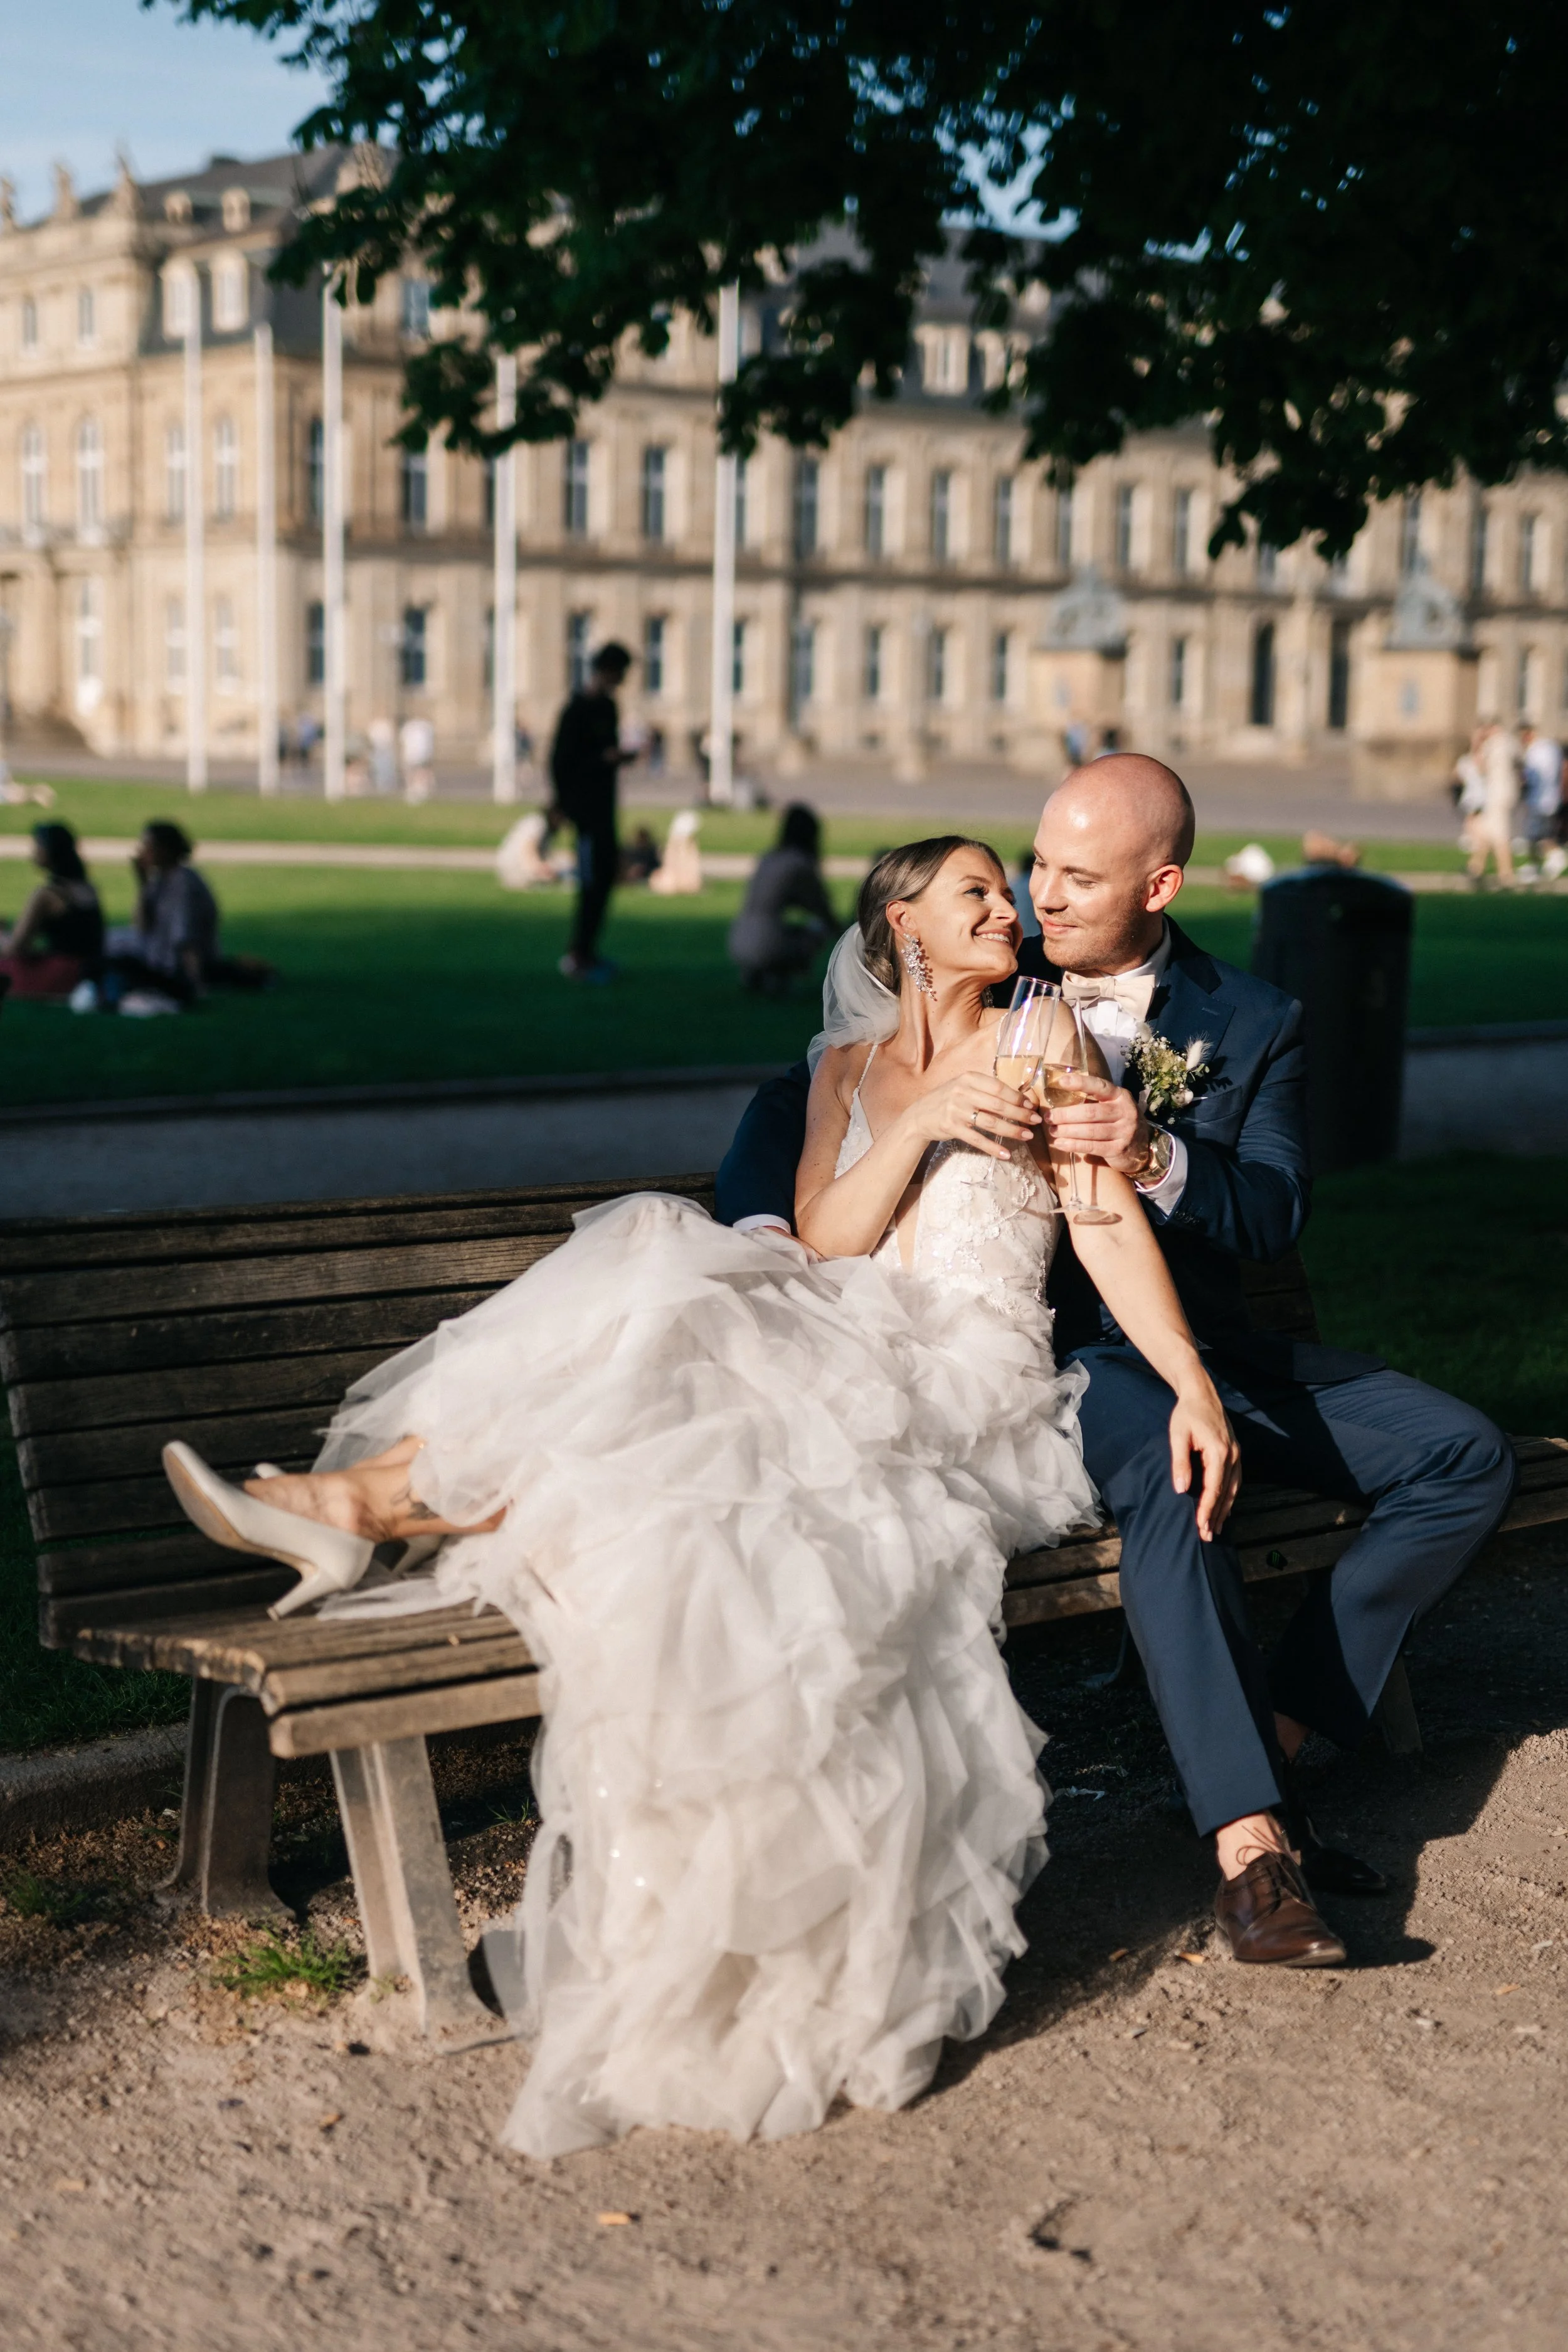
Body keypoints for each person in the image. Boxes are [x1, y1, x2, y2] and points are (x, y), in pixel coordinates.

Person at [159, 834, 1240, 2158]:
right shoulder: (843, 1071)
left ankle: (364, 1508)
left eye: (1000, 891)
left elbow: (1102, 1219)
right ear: (901, 924)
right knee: (660, 1298)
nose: (1005, 908)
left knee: (672, 1350)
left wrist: (1185, 1376)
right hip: (843, 1326)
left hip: (963, 1373)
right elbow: (830, 1239)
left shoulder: (1046, 1033)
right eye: (973, 892)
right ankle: (362, 1502)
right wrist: (910, 1121)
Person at [716, 755, 1515, 1968]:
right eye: (1034, 866)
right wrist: (763, 1228)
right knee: (1176, 1476)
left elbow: (1269, 1215)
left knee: (1464, 1458)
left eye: (1075, 876)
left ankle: (1268, 1744)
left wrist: (1155, 1151)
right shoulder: (997, 978)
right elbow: (812, 1088)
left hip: (1205, 1341)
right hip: (1062, 1364)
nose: (1038, 897)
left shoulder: (1250, 1020)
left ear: (1163, 882)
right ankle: (1251, 1852)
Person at [550, 640, 638, 980]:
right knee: (589, 882)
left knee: (603, 881)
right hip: (585, 812)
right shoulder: (577, 709)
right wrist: (563, 804)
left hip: (604, 807)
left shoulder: (608, 708)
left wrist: (615, 758)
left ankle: (589, 952)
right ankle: (577, 955)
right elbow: (562, 762)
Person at [102, 822, 219, 1009]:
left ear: (164, 850)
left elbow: (185, 939)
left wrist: (196, 983)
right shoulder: (160, 880)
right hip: (158, 953)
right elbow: (141, 925)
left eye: (146, 846)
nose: (141, 852)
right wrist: (142, 882)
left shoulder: (183, 884)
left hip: (169, 965)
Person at [726, 803, 835, 991]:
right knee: (818, 929)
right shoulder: (800, 864)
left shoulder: (768, 858)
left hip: (739, 938)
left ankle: (758, 975)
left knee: (787, 930)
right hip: (767, 943)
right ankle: (778, 977)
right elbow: (820, 907)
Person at [0, 822, 103, 999]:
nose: (34, 852)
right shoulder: (87, 888)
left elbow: (15, 948)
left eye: (38, 846)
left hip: (59, 975)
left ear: (50, 851)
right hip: (88, 971)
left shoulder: (47, 895)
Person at [1467, 719, 1520, 886]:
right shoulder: (1511, 742)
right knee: (1486, 830)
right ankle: (1476, 867)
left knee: (1498, 834)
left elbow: (1480, 767)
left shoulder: (1493, 744)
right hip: (1507, 792)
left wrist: (1476, 744)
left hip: (1496, 794)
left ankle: (1506, 874)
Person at [1518, 724, 1564, 872]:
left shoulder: (1535, 751)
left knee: (1537, 836)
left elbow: (1532, 776)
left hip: (1539, 799)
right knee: (1541, 834)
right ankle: (1537, 865)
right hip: (1551, 797)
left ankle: (1555, 857)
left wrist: (1522, 781)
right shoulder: (1552, 747)